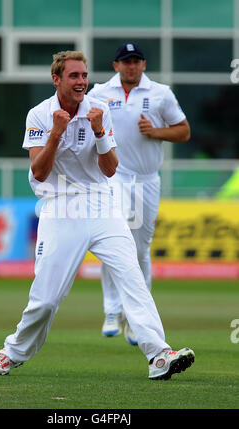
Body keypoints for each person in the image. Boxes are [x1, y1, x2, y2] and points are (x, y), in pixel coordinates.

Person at [0, 51, 194, 380]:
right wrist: (56, 132)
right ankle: (12, 352)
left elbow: (111, 169)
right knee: (46, 299)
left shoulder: (99, 113)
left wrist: (98, 132)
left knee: (132, 277)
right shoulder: (40, 114)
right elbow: (39, 173)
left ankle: (158, 355)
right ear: (57, 80)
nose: (82, 81)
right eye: (74, 76)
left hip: (101, 204)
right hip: (60, 206)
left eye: (84, 75)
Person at [88, 43, 191, 345]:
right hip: (115, 176)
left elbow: (183, 131)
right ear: (115, 65)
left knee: (140, 249)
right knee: (114, 239)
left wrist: (156, 131)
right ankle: (112, 309)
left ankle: (137, 318)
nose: (131, 66)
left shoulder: (160, 93)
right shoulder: (99, 92)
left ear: (144, 65)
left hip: (147, 180)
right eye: (125, 61)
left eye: (136, 61)